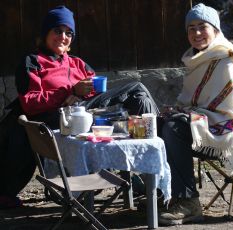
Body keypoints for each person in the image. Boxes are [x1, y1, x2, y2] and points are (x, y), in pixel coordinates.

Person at [0, 5, 158, 209]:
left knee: (139, 98)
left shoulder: (77, 63)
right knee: (137, 89)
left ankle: (152, 177)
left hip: (86, 114)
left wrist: (79, 93)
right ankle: (156, 172)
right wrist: (69, 91)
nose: (63, 37)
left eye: (69, 33)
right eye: (57, 30)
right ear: (45, 33)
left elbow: (97, 91)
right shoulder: (33, 62)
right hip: (55, 119)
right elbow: (30, 104)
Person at [158, 3, 233, 226]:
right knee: (158, 123)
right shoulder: (196, 59)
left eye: (202, 26)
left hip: (228, 129)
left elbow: (230, 113)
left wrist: (190, 115)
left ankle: (189, 201)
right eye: (191, 28)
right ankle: (162, 192)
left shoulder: (227, 61)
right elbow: (194, 102)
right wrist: (182, 111)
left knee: (174, 128)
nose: (196, 33)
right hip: (204, 122)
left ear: (216, 30)